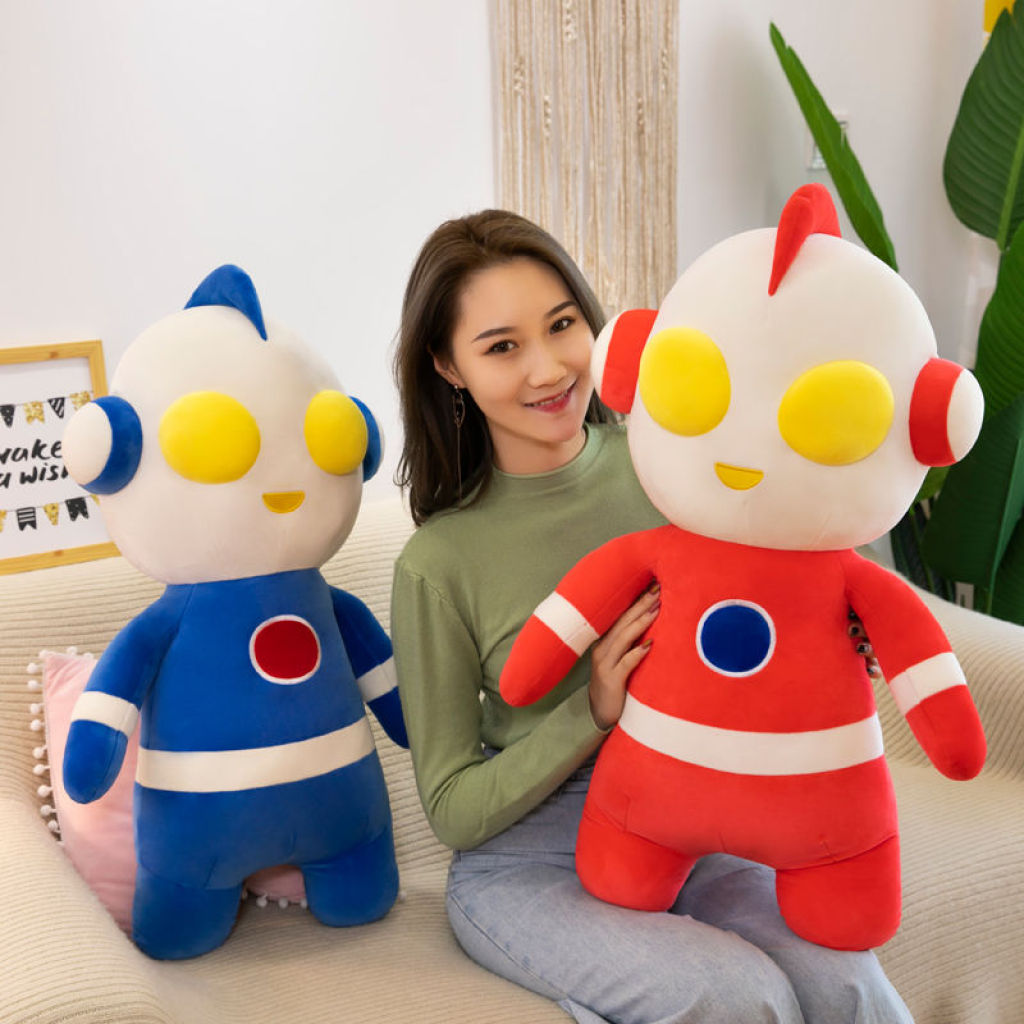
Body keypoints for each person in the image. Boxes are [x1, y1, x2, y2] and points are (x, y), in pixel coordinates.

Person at [390, 209, 913, 1024]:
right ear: (447, 366)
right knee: (735, 998)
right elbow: (452, 805)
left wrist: (840, 634)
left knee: (848, 987)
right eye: (502, 347)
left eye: (561, 325)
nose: (547, 369)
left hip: (696, 816)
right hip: (528, 859)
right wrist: (592, 710)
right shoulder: (439, 562)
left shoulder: (673, 470)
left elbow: (780, 588)